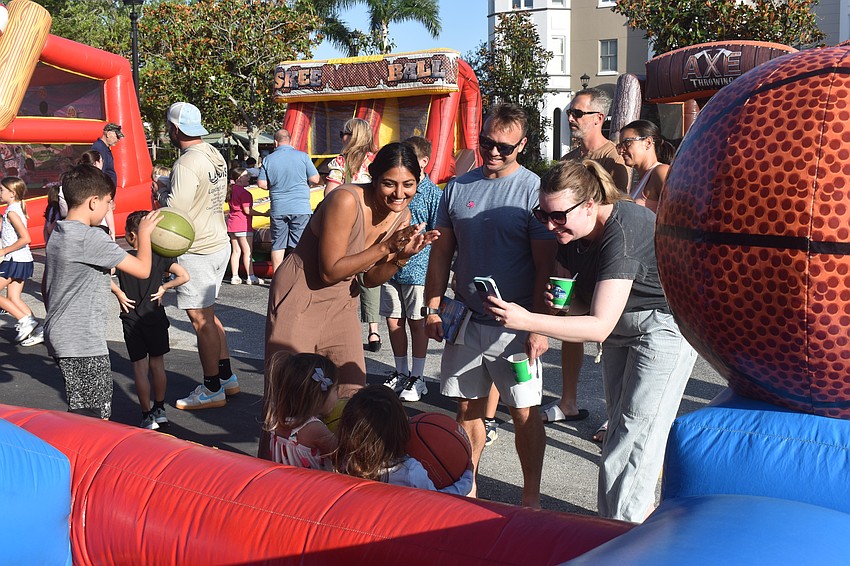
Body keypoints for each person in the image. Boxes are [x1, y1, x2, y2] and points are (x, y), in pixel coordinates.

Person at [484, 159, 698, 522]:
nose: (550, 225)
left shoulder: (623, 229)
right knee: (619, 431)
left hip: (664, 327)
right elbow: (590, 310)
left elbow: (598, 326)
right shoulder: (571, 235)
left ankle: (620, 535)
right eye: (542, 215)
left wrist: (527, 319)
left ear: (588, 205)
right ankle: (618, 525)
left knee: (634, 437)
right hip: (622, 331)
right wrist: (565, 307)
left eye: (558, 216)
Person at [262, 142, 439, 460]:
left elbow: (369, 278)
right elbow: (330, 271)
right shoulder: (345, 199)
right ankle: (270, 479)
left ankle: (343, 477)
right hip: (299, 294)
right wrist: (387, 249)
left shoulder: (403, 215)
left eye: (408, 184)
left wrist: (400, 258)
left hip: (343, 299)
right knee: (290, 395)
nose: (399, 193)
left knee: (351, 389)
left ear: (418, 181)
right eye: (389, 183)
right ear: (373, 178)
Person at [423, 103, 556, 508]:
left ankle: (530, 499)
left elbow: (544, 266)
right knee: (467, 409)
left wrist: (539, 325)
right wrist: (432, 304)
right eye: (486, 143)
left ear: (523, 145)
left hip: (515, 325)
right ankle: (470, 485)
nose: (494, 152)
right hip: (465, 320)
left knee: (524, 412)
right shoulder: (458, 187)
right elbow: (442, 253)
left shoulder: (534, 190)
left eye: (504, 146)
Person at [44, 165, 161, 419]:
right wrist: (144, 234)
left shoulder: (59, 232)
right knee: (93, 416)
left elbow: (47, 284)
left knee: (82, 408)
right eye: (108, 203)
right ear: (93, 202)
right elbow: (142, 269)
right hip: (81, 340)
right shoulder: (90, 238)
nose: (110, 209)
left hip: (63, 333)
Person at [546, 88, 632, 432]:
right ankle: (568, 401)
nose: (570, 118)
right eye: (570, 112)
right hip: (573, 254)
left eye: (577, 113)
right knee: (569, 322)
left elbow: (618, 212)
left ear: (598, 118)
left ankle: (615, 415)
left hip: (607, 258)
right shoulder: (569, 160)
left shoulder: (615, 159)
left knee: (613, 336)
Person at [165, 102, 240, 410]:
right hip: (218, 240)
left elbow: (175, 214)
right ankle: (226, 377)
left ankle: (211, 388)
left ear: (175, 129)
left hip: (196, 248)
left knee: (200, 320)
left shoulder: (186, 163)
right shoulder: (213, 154)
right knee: (208, 315)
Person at [111, 210, 190, 430]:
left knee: (139, 367)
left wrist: (119, 293)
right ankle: (160, 408)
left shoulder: (123, 258)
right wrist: (164, 287)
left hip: (131, 316)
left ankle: (146, 415)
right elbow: (184, 276)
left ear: (131, 236)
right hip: (154, 315)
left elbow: (101, 274)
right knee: (157, 364)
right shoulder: (161, 257)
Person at [380, 136, 441, 402]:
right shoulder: (393, 191)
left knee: (417, 323)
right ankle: (401, 371)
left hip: (418, 268)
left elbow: (440, 233)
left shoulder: (432, 193)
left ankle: (419, 376)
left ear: (424, 162)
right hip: (389, 266)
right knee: (393, 321)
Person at [334, 384, 473, 495]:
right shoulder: (410, 472)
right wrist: (467, 479)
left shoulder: (341, 460)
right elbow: (439, 501)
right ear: (400, 427)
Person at [325, 118, 382, 352]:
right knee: (368, 277)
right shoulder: (377, 162)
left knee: (341, 272)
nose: (341, 138)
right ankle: (374, 331)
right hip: (371, 224)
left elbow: (330, 194)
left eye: (342, 133)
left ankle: (342, 327)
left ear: (351, 136)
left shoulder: (341, 162)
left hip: (347, 224)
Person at [263, 351, 339, 470]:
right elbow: (343, 456)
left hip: (285, 483)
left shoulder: (277, 418)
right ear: (318, 396)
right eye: (336, 389)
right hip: (313, 487)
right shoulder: (314, 428)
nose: (338, 395)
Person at [257, 129, 319, 273]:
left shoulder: (268, 159)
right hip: (300, 207)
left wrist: (274, 186)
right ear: (290, 141)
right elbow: (315, 179)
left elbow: (261, 183)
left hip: (279, 207)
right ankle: (296, 276)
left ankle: (277, 278)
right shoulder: (303, 156)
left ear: (275, 142)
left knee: (278, 244)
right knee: (299, 244)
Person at [0, 176, 39, 343]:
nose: (0, 192)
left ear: (12, 193)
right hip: (21, 259)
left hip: (14, 259)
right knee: (14, 298)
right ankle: (37, 328)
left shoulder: (12, 212)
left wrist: (3, 250)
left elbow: (26, 238)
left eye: (2, 190)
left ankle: (25, 321)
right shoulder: (15, 209)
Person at [617, 119, 675, 213]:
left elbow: (680, 207)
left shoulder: (660, 171)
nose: (621, 151)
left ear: (648, 142)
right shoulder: (639, 183)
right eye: (619, 146)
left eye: (627, 143)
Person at [227, 166, 268, 285]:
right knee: (248, 251)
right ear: (239, 179)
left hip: (232, 224)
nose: (248, 178)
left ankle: (235, 276)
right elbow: (247, 211)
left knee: (235, 251)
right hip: (243, 225)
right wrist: (264, 214)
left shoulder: (231, 190)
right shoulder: (245, 193)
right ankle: (251, 276)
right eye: (246, 176)